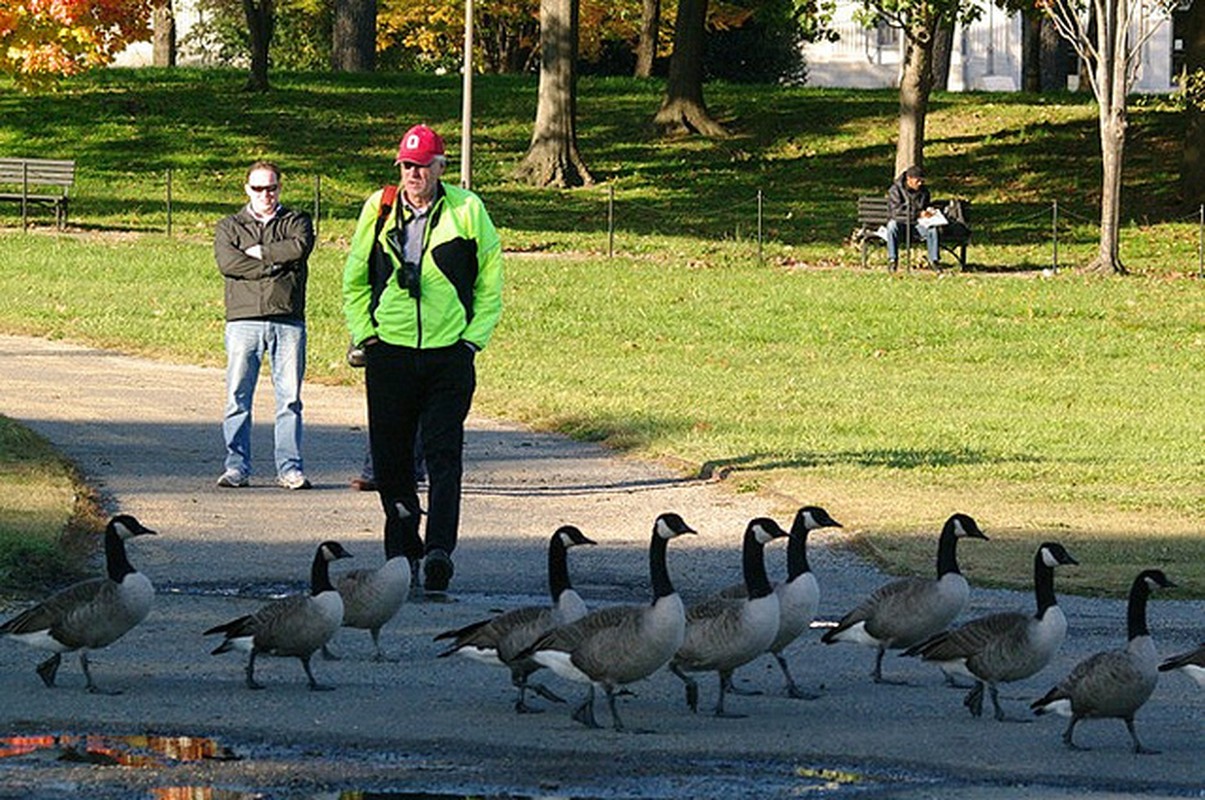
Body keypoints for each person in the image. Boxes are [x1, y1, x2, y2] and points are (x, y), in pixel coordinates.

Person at [342, 124, 503, 593]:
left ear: (440, 167)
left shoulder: (468, 209)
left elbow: (490, 279)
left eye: (422, 165)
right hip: (389, 351)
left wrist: (472, 340)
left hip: (447, 355)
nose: (413, 174)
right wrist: (365, 334)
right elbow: (354, 277)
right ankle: (402, 549)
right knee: (391, 463)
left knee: (443, 456)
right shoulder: (380, 207)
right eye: (407, 166)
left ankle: (437, 552)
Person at [214, 161, 315, 490]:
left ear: (279, 189)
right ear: (247, 189)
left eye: (271, 188)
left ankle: (289, 468)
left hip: (288, 320)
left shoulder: (296, 220)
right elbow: (228, 263)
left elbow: (299, 247)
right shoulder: (229, 226)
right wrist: (273, 265)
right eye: (258, 188)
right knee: (237, 396)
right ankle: (236, 467)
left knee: (289, 399)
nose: (265, 195)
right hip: (243, 320)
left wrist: (261, 252)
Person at [885, 165, 942, 271]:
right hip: (901, 224)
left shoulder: (924, 191)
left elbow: (925, 206)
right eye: (917, 181)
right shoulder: (895, 190)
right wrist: (918, 214)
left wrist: (930, 212)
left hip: (917, 225)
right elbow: (896, 212)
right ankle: (892, 260)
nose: (920, 183)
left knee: (932, 230)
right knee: (891, 226)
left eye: (922, 181)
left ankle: (934, 261)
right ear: (909, 179)